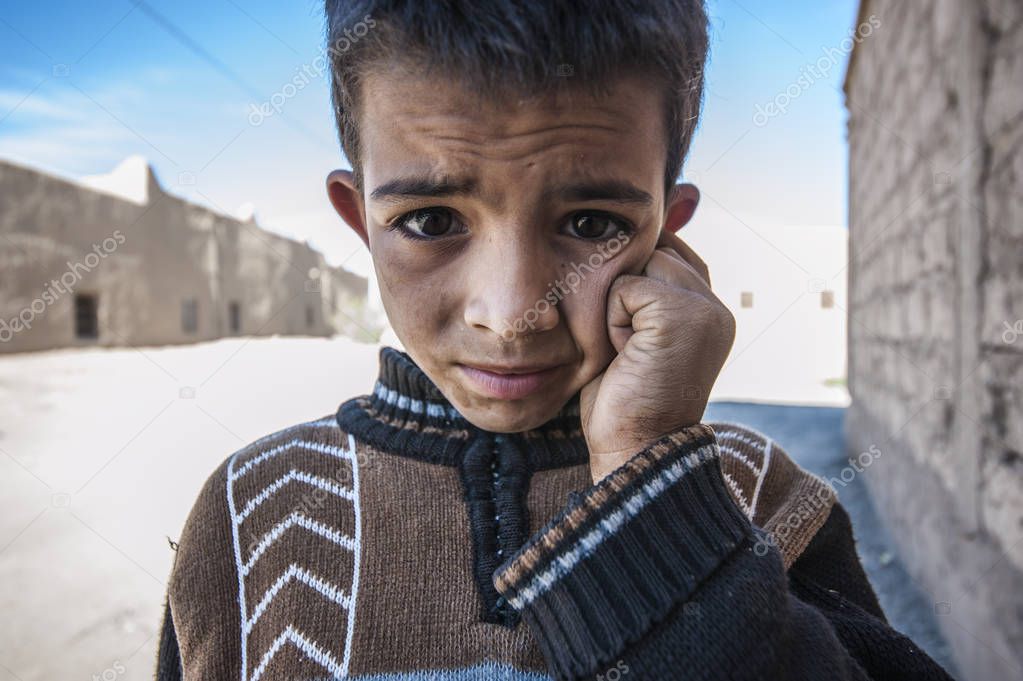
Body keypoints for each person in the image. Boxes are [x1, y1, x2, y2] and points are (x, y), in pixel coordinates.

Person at [155, 1, 955, 679]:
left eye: (592, 224)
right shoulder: (255, 511)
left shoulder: (757, 499)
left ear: (666, 235)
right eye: (430, 221)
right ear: (359, 220)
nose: (512, 312)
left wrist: (650, 478)